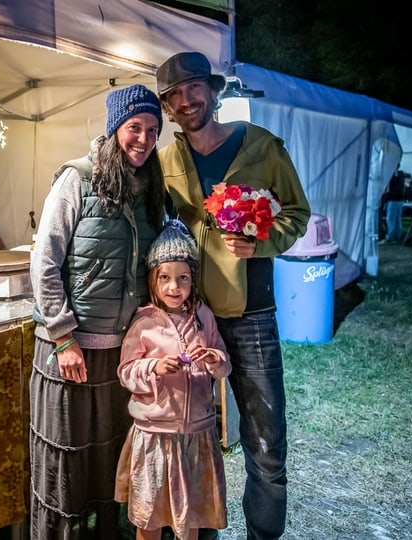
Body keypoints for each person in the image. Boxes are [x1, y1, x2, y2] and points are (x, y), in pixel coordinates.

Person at [156, 51, 311, 540]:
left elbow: (297, 213)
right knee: (191, 436)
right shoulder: (165, 161)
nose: (187, 100)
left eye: (194, 88)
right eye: (174, 95)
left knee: (264, 441)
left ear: (214, 91)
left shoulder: (261, 146)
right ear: (167, 107)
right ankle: (199, 533)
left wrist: (260, 241)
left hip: (251, 315)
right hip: (189, 318)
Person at [29, 83, 166, 539]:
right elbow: (44, 260)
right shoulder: (78, 178)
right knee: (66, 462)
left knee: (110, 458)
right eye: (134, 127)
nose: (144, 139)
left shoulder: (151, 187)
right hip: (71, 351)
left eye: (152, 129)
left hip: (123, 353)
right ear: (114, 129)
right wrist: (64, 337)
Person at [115, 219, 231, 540]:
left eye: (182, 278)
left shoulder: (203, 317)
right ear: (153, 279)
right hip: (155, 436)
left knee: (189, 519)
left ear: (193, 278)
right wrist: (153, 367)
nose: (173, 287)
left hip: (196, 437)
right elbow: (126, 371)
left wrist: (214, 359)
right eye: (164, 278)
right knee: (148, 520)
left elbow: (224, 364)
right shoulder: (144, 321)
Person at [382, 169, 406, 243]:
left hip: (393, 199)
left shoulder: (391, 175)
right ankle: (397, 236)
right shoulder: (401, 175)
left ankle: (390, 237)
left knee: (391, 219)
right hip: (400, 199)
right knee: (397, 219)